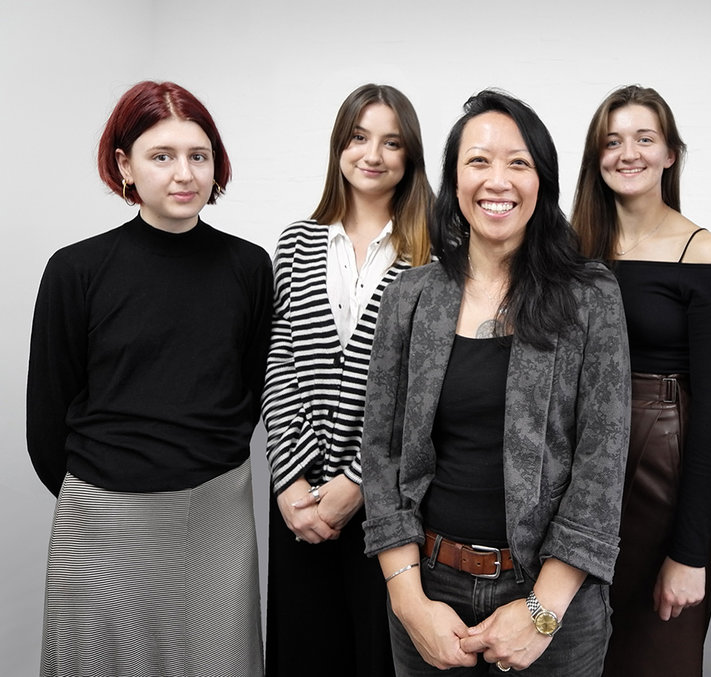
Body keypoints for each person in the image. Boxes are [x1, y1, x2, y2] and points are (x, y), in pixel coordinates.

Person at [359, 89, 631, 675]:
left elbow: (602, 461)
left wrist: (541, 611)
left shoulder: (590, 295)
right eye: (478, 161)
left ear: (543, 180)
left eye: (518, 162)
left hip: (551, 597)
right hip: (430, 591)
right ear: (454, 182)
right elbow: (380, 450)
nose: (497, 180)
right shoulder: (410, 297)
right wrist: (409, 603)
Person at [26, 80, 271, 677]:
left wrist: (201, 459)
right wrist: (114, 483)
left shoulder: (248, 266)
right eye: (161, 156)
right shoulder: (75, 269)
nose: (183, 173)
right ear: (125, 166)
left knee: (221, 664)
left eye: (198, 155)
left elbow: (250, 388)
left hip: (215, 504)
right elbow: (47, 419)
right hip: (102, 516)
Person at [262, 83, 434, 676]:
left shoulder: (433, 254)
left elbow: (423, 387)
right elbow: (279, 364)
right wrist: (290, 482)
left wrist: (358, 480)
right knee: (305, 651)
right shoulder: (296, 240)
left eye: (391, 142)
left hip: (389, 499)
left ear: (409, 156)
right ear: (339, 148)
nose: (373, 154)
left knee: (380, 655)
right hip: (298, 499)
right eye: (359, 138)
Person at [571, 84, 711, 677]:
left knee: (653, 658)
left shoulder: (703, 252)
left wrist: (689, 553)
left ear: (670, 153)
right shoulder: (570, 249)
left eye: (644, 138)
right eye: (611, 141)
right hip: (576, 472)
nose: (627, 153)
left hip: (659, 469)